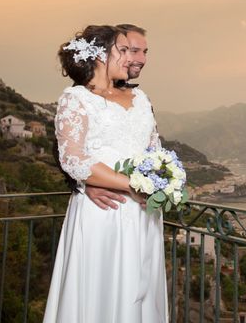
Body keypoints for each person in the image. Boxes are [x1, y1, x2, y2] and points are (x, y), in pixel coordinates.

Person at [44, 25, 167, 323]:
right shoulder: (76, 99)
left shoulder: (141, 99)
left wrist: (164, 179)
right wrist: (127, 185)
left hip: (143, 216)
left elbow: (155, 151)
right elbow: (73, 157)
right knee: (99, 289)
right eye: (123, 50)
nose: (130, 58)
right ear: (101, 55)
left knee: (141, 291)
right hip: (103, 213)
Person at [84, 23, 149, 210]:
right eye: (131, 50)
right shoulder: (86, 93)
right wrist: (85, 184)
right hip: (108, 204)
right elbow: (66, 149)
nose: (140, 59)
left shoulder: (141, 99)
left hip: (142, 207)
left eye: (144, 52)